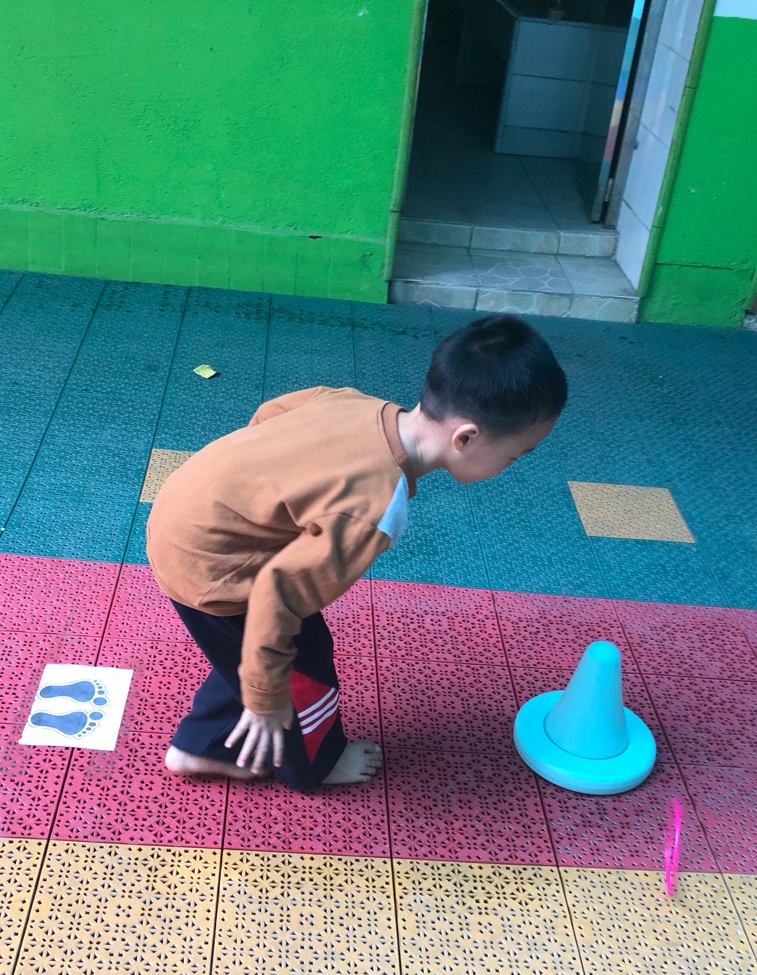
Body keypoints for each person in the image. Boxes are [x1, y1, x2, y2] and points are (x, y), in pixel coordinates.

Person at [145, 314, 567, 790]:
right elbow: (276, 597)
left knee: (249, 645)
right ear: (465, 437)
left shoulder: (355, 404)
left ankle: (202, 741)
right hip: (211, 566)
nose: (510, 466)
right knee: (302, 667)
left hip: (182, 511)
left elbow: (273, 412)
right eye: (514, 456)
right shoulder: (371, 510)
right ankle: (317, 766)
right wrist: (265, 699)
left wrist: (260, 493)